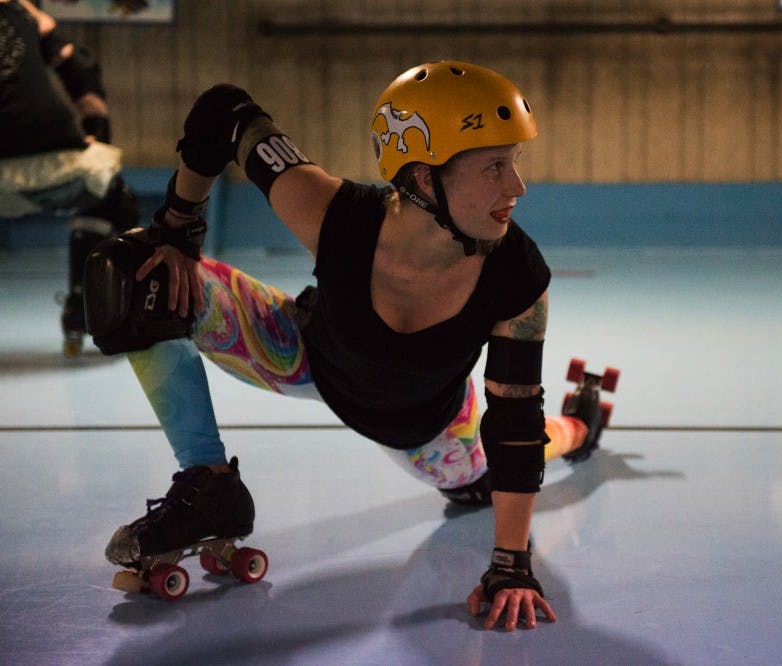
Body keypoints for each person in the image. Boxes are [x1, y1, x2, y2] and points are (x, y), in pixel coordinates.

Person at [91, 61, 612, 630]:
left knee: (486, 478)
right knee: (142, 273)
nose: (517, 186)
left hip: (427, 427)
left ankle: (580, 425)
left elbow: (513, 421)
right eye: (494, 167)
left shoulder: (518, 274)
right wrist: (176, 228)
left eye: (515, 163)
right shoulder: (337, 215)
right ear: (421, 178)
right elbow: (225, 111)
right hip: (304, 355)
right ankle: (210, 485)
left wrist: (511, 563)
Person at [0, 0, 139, 355]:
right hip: (52, 163)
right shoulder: (23, 10)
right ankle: (84, 308)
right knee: (111, 195)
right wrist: (98, 133)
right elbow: (75, 64)